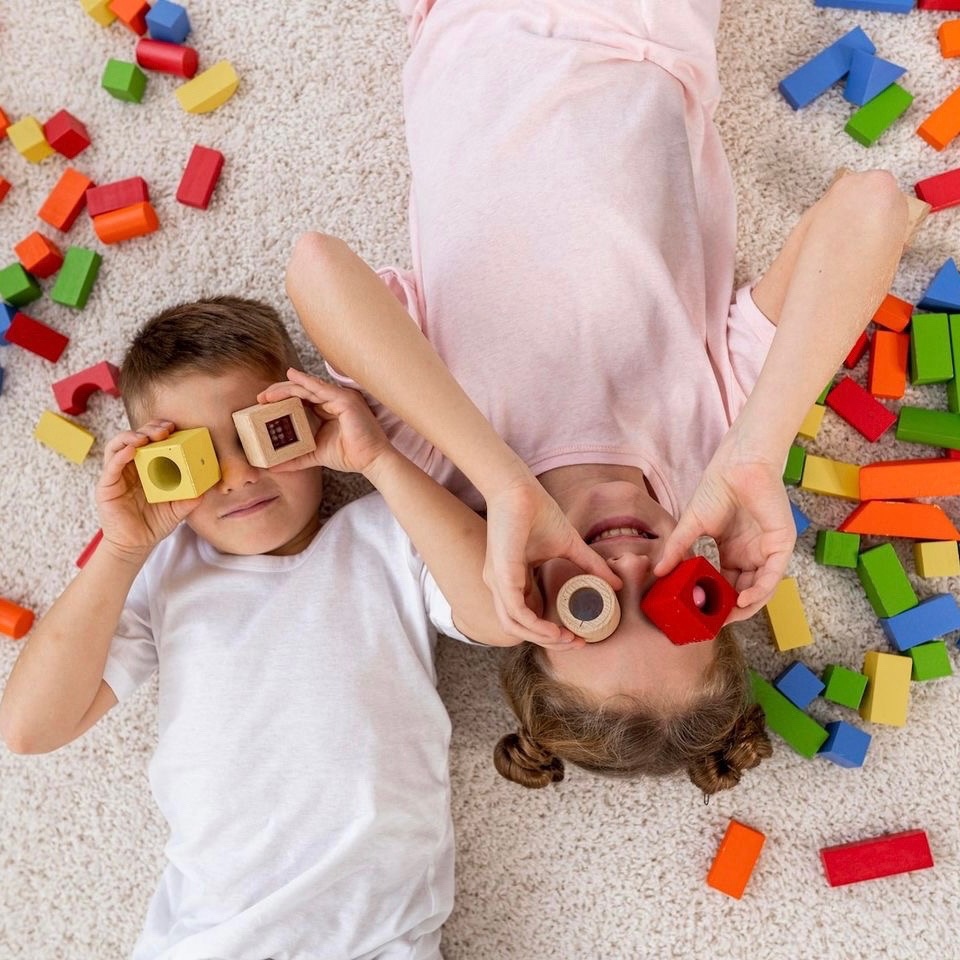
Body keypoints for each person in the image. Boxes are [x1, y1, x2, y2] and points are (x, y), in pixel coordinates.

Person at [280, 0, 910, 793]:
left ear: (530, 607)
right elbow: (873, 204)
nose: (631, 563)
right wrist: (757, 451)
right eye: (675, 598)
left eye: (593, 606)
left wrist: (506, 483)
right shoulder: (719, 442)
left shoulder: (447, 455)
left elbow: (315, 267)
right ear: (712, 587)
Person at [0, 297, 526, 960]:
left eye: (262, 435)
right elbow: (30, 728)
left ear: (309, 420)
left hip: (375, 940)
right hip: (207, 940)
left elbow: (501, 614)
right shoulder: (165, 571)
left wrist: (378, 460)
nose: (238, 476)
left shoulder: (386, 535)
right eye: (194, 458)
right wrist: (123, 549)